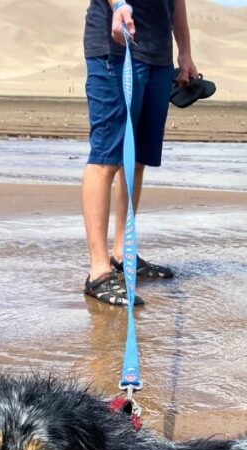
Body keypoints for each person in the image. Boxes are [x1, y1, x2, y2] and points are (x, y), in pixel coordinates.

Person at [82, 0, 198, 306]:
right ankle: (98, 272)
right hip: (115, 49)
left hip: (158, 58)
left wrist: (184, 52)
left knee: (137, 159)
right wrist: (119, 4)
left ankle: (122, 253)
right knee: (106, 158)